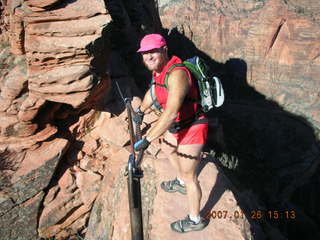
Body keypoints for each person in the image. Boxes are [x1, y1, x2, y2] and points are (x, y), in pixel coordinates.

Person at [133, 34, 209, 233]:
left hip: (192, 126)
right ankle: (180, 181)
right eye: (144, 53)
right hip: (178, 126)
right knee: (167, 147)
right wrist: (140, 111)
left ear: (164, 50)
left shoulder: (177, 74)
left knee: (190, 175)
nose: (148, 57)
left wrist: (146, 139)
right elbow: (153, 92)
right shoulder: (159, 71)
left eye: (153, 51)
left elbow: (171, 112)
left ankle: (195, 219)